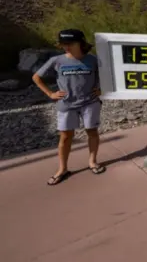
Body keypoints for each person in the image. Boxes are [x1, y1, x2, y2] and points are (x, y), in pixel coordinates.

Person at [32, 29, 105, 186]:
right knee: (65, 137)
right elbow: (36, 77)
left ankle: (92, 162)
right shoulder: (56, 61)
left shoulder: (93, 60)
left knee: (92, 132)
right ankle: (62, 169)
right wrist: (50, 94)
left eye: (70, 43)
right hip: (66, 104)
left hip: (90, 102)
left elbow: (107, 75)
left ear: (80, 43)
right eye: (63, 44)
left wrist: (102, 89)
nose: (66, 47)